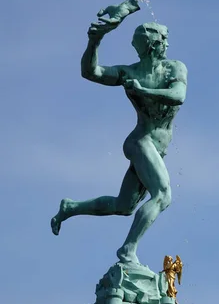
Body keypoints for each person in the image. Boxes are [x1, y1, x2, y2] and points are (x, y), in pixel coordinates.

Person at [50, 15, 188, 265]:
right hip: (140, 142)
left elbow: (178, 95)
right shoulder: (129, 73)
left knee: (124, 206)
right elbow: (91, 72)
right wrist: (95, 40)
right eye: (163, 39)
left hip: (156, 148)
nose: (167, 44)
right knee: (163, 194)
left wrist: (143, 91)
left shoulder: (175, 68)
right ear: (152, 45)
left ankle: (70, 207)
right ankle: (128, 250)